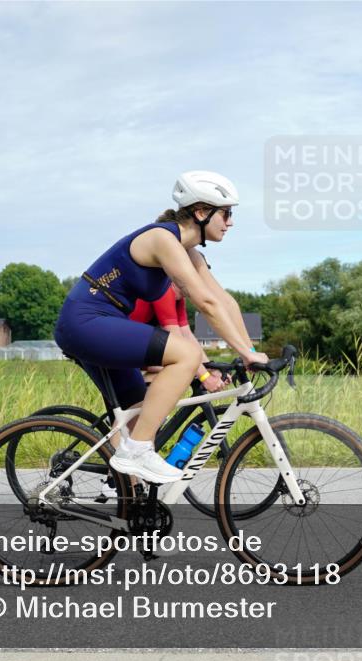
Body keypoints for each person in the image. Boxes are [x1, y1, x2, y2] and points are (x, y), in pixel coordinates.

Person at [54, 171, 268, 484]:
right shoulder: (162, 239)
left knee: (141, 414)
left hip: (107, 324)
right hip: (86, 321)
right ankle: (137, 451)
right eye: (226, 213)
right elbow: (205, 304)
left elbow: (223, 300)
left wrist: (249, 349)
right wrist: (245, 354)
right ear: (200, 212)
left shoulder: (189, 251)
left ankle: (124, 495)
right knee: (185, 356)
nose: (230, 221)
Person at [129, 280, 228, 392]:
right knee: (179, 365)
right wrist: (205, 377)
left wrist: (211, 368)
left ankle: (144, 402)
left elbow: (187, 335)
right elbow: (178, 340)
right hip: (122, 344)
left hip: (133, 343)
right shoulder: (164, 290)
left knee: (175, 369)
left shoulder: (179, 298)